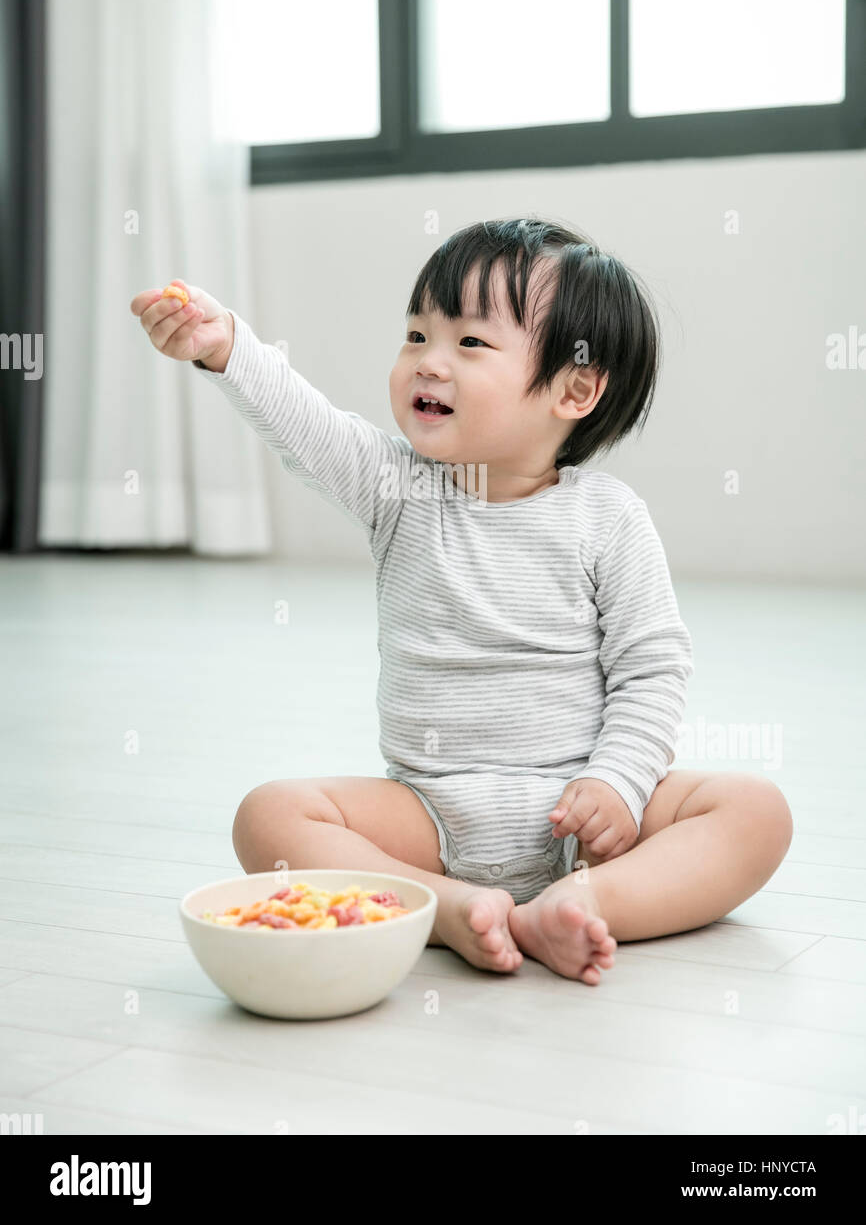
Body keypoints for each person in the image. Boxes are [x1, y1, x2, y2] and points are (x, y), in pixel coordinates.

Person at [131, 217, 792, 984]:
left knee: (754, 811)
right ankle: (443, 904)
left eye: (469, 344)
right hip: (431, 815)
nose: (428, 364)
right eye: (416, 336)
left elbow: (652, 670)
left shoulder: (609, 518)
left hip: (584, 817)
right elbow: (306, 426)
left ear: (575, 387)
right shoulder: (397, 490)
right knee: (269, 815)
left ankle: (586, 900)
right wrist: (224, 344)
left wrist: (617, 783)